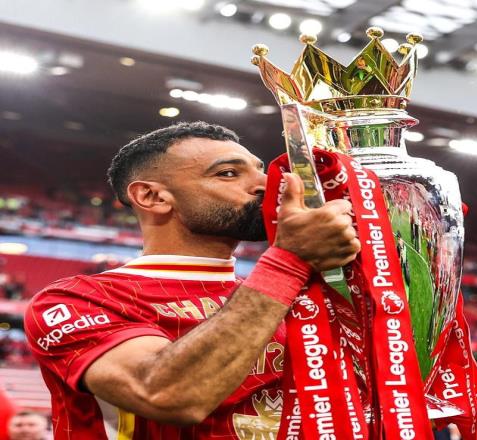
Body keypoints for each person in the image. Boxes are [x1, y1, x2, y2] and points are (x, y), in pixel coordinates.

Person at [25, 121, 360, 439]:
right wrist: (288, 261)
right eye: (228, 173)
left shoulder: (286, 293)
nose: (267, 183)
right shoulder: (77, 300)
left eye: (260, 170)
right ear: (152, 197)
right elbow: (166, 394)